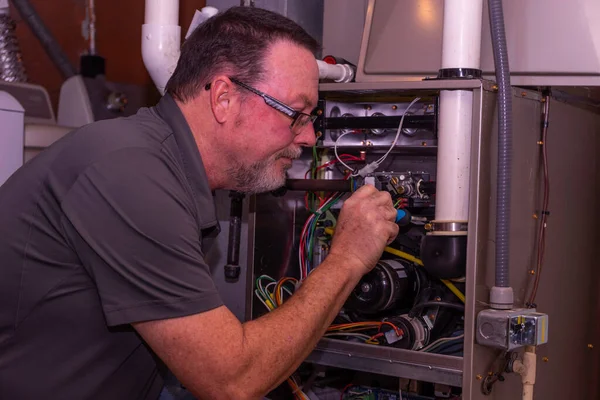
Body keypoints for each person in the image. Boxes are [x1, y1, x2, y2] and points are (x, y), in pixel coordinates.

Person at [0, 6, 398, 400]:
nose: (309, 137)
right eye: (296, 114)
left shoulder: (162, 164)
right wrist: (346, 259)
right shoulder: (128, 173)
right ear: (223, 98)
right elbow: (231, 381)